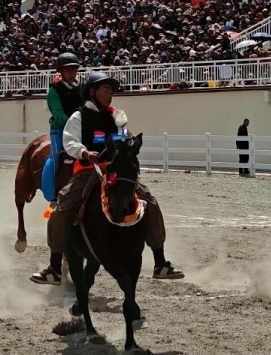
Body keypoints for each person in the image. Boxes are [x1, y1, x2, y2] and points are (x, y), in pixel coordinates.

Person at [47, 71, 185, 280]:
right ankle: (55, 267)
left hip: (118, 172)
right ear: (92, 92)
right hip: (88, 171)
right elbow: (70, 142)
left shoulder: (117, 115)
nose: (110, 95)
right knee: (61, 207)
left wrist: (130, 144)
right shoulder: (78, 116)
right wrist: (85, 153)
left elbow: (124, 136)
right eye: (106, 90)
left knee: (151, 203)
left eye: (111, 91)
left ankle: (160, 262)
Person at [30, 52, 83, 286]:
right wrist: (74, 121)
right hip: (60, 131)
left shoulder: (82, 88)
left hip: (80, 130)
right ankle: (53, 194)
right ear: (60, 72)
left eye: (74, 69)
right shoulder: (54, 91)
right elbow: (58, 113)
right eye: (68, 69)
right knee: (56, 158)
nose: (71, 72)